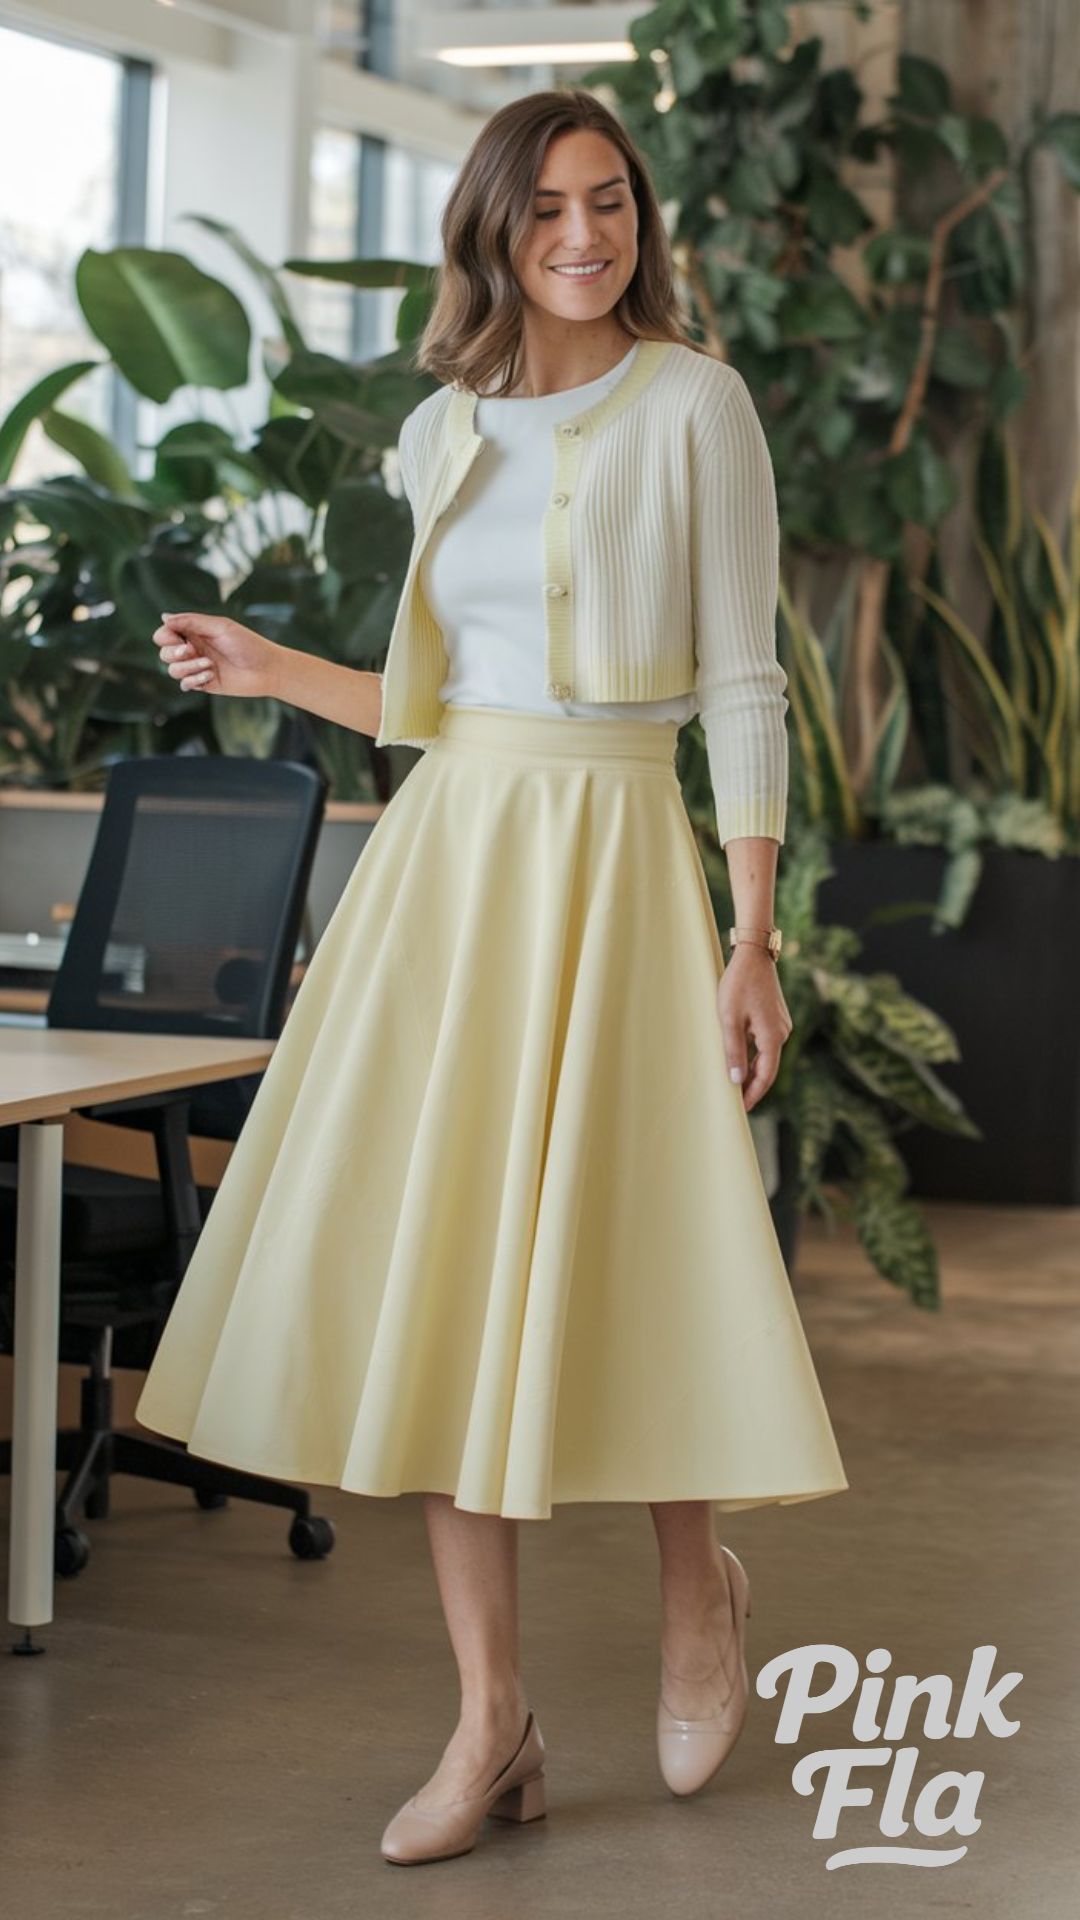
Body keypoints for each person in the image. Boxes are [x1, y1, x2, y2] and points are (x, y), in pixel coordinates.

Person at [134, 87, 848, 1866]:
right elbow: (441, 704)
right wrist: (272, 664)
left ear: (641, 220)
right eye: (547, 214)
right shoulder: (446, 434)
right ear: (495, 235)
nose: (586, 238)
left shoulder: (699, 405)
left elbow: (744, 681)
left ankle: (703, 1590)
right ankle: (493, 1722)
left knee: (646, 1241)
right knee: (453, 1278)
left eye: (610, 204)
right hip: (450, 868)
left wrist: (752, 934)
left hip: (618, 863)